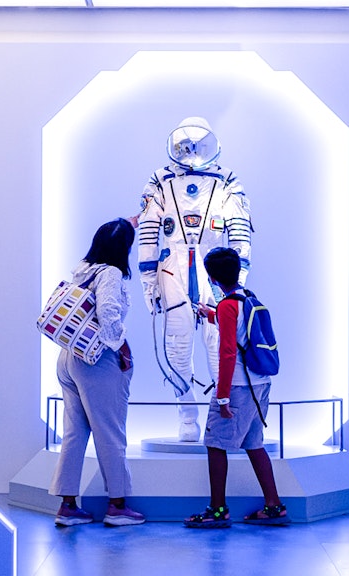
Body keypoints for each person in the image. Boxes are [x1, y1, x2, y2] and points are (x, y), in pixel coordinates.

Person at [137, 117, 253, 442]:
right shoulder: (160, 181)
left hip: (214, 269)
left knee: (220, 344)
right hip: (173, 266)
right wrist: (149, 280)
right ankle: (186, 412)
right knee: (176, 343)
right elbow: (148, 231)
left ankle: (221, 411)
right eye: (185, 144)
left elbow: (240, 229)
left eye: (197, 144)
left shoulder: (226, 180)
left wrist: (237, 279)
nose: (190, 151)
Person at [51, 217, 145, 527]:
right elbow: (108, 312)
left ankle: (68, 505)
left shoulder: (84, 269)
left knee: (75, 433)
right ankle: (117, 505)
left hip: (68, 357)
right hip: (97, 361)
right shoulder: (112, 274)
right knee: (110, 431)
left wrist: (130, 221)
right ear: (124, 249)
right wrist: (121, 347)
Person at [184, 247, 289, 528]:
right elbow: (237, 327)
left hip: (239, 389)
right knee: (254, 445)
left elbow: (228, 352)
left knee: (215, 445)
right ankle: (274, 506)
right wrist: (211, 314)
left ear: (212, 278)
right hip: (261, 385)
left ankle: (217, 510)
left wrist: (222, 397)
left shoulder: (228, 307)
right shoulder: (248, 299)